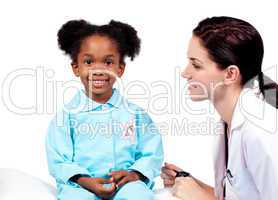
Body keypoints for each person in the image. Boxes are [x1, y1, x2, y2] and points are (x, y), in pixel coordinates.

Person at [161, 16, 278, 200]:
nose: (185, 73)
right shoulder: (227, 122)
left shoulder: (261, 131)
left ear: (230, 74)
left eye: (196, 65)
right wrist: (191, 182)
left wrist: (199, 198)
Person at [45, 19, 164, 200]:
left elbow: (152, 153)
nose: (98, 70)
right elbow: (59, 160)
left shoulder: (135, 114)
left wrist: (134, 175)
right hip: (80, 185)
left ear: (120, 68)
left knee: (138, 196)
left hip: (125, 185)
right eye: (89, 62)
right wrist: (84, 181)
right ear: (76, 68)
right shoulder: (66, 116)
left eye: (108, 62)